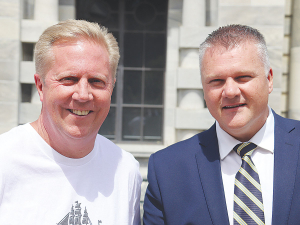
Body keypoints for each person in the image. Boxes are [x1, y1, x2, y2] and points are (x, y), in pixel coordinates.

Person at [143, 24, 300, 225]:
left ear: (269, 79)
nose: (231, 91)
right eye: (216, 81)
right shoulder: (168, 170)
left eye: (243, 77)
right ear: (203, 89)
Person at [0, 19, 142, 224]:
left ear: (112, 87)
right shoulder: (4, 160)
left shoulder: (125, 170)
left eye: (96, 81)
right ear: (40, 86)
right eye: (69, 79)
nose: (83, 95)